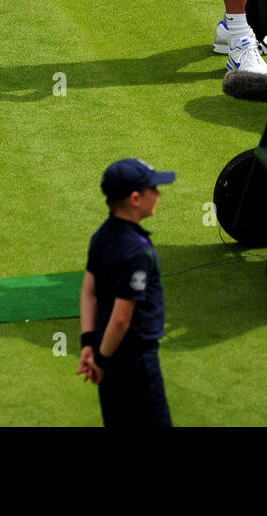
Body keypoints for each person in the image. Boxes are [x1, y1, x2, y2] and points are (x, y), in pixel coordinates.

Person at [77, 158, 176, 427]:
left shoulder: (101, 236)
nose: (158, 193)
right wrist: (100, 360)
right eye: (153, 189)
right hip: (135, 363)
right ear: (135, 198)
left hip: (105, 353)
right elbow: (122, 318)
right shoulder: (136, 252)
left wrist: (89, 344)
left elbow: (89, 293)